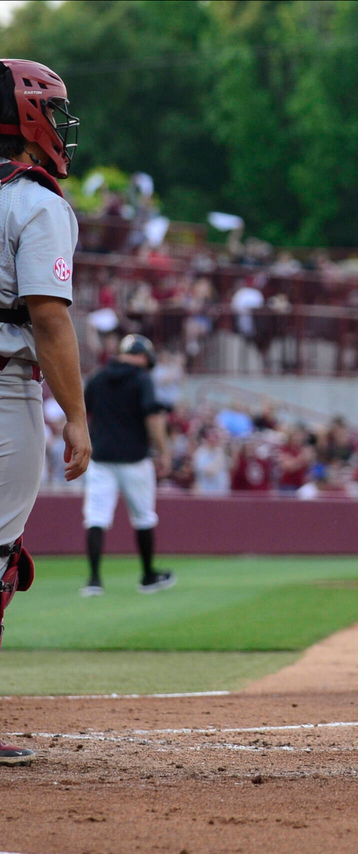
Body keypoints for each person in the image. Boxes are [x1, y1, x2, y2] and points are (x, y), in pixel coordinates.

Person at [0, 58, 90, 767]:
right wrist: (78, 418)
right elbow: (49, 320)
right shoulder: (34, 201)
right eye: (50, 112)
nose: (57, 126)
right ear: (27, 117)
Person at [80, 334, 173, 596]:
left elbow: (83, 409)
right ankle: (148, 576)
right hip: (135, 459)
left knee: (96, 517)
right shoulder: (142, 378)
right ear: (143, 357)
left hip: (101, 458)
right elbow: (153, 419)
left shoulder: (98, 377)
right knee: (144, 517)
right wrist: (164, 452)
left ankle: (94, 580)